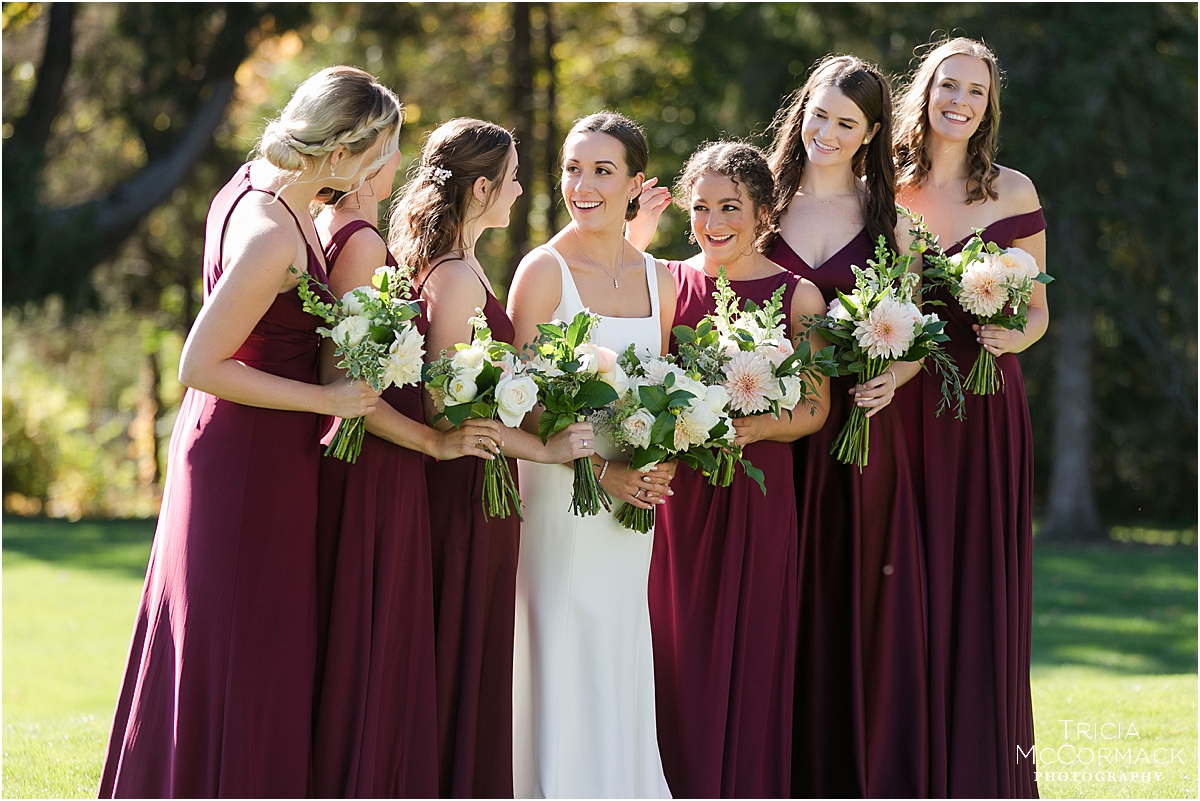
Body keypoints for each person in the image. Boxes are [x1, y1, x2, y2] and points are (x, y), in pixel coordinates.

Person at [99, 66, 396, 798]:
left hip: (253, 451)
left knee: (238, 648)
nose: (384, 168)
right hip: (248, 464)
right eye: (379, 152)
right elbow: (198, 364)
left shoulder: (260, 184)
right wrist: (325, 396)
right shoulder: (270, 234)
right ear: (340, 153)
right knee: (244, 650)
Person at [389, 117, 594, 798]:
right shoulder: (452, 278)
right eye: (511, 179)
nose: (520, 191)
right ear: (481, 188)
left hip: (484, 486)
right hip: (464, 493)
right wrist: (547, 448)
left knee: (476, 649)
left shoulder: (462, 265)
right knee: (462, 647)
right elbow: (448, 413)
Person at [309, 120, 502, 797]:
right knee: (376, 647)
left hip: (383, 464)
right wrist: (436, 441)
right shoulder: (371, 246)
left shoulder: (355, 235)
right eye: (390, 150)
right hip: (387, 470)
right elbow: (355, 388)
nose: (401, 165)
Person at [765, 54, 930, 797]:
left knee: (855, 597)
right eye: (819, 115)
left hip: (859, 438)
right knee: (775, 595)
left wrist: (895, 375)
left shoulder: (891, 221)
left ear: (870, 134)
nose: (826, 133)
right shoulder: (763, 203)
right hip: (772, 429)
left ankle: (854, 771)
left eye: (845, 123)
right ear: (801, 111)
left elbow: (914, 332)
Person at [647, 141, 830, 798]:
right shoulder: (664, 282)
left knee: (752, 651)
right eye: (700, 207)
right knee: (674, 653)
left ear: (762, 212)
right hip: (678, 497)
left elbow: (814, 407)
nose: (713, 221)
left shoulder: (798, 294)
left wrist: (756, 427)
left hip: (758, 497)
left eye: (729, 206)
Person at [893, 36, 1049, 798]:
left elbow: (1040, 311)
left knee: (978, 584)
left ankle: (980, 771)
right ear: (924, 92)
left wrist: (1014, 335)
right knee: (902, 580)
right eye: (947, 85)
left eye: (975, 91)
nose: (959, 101)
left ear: (990, 106)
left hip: (985, 405)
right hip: (900, 404)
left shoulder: (1014, 191)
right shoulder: (882, 185)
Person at [507, 112, 676, 798]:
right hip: (564, 493)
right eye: (573, 169)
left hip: (632, 507)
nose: (582, 185)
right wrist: (606, 472)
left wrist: (665, 457)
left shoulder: (660, 278)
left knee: (617, 638)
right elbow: (522, 399)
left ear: (635, 184)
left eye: (602, 171)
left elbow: (666, 391)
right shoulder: (544, 271)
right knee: (563, 637)